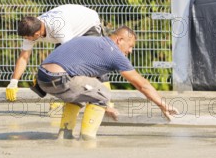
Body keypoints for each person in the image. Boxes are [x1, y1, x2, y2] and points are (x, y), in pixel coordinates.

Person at [36, 26, 178, 140]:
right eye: (130, 46)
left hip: (42, 79)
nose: (130, 51)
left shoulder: (93, 42)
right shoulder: (114, 53)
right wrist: (163, 105)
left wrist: (105, 107)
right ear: (119, 40)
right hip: (59, 79)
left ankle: (64, 135)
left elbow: (83, 82)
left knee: (82, 94)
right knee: (103, 93)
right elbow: (141, 84)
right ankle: (88, 139)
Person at [5, 4, 104, 102]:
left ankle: (102, 97)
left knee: (93, 61)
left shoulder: (58, 27)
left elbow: (72, 54)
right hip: (69, 28)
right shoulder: (32, 28)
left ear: (36, 34)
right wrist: (13, 82)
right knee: (56, 67)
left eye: (26, 38)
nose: (26, 40)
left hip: (88, 24)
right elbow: (23, 58)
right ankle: (71, 97)